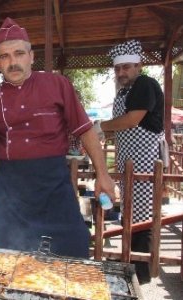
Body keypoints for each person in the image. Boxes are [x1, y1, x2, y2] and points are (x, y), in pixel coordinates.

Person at [0, 18, 116, 258]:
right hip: (11, 192)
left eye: (19, 53)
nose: (13, 62)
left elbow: (84, 130)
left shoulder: (58, 84)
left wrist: (103, 175)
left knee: (71, 252)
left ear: (31, 56)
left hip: (53, 186)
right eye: (4, 56)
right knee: (4, 258)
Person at [96, 39, 164, 283]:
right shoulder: (125, 91)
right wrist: (104, 134)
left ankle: (141, 270)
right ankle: (128, 261)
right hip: (129, 161)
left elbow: (133, 120)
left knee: (142, 215)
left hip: (144, 162)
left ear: (139, 66)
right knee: (129, 211)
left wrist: (100, 127)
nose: (121, 72)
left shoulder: (145, 84)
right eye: (117, 68)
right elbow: (122, 127)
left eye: (126, 67)